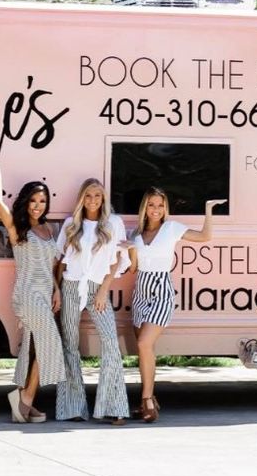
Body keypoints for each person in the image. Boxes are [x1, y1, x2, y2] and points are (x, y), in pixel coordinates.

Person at [0, 158, 65, 423]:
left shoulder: (49, 229)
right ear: (26, 202)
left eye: (43, 201)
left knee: (36, 348)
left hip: (46, 292)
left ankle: (24, 399)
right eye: (34, 200)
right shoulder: (18, 228)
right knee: (51, 344)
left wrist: (57, 290)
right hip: (28, 294)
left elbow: (53, 266)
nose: (38, 206)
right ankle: (24, 398)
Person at [128, 187, 226, 422]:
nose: (156, 209)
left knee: (143, 343)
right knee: (145, 351)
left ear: (165, 208)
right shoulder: (135, 235)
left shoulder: (171, 228)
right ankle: (148, 398)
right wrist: (128, 250)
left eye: (160, 205)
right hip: (141, 290)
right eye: (151, 205)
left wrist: (208, 211)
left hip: (162, 289)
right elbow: (132, 268)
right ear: (145, 207)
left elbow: (204, 237)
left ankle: (147, 401)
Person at [56, 178, 130, 425]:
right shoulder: (71, 224)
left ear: (103, 198)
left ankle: (114, 406)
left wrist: (103, 291)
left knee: (110, 342)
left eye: (97, 196)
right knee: (69, 344)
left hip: (98, 288)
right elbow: (59, 261)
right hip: (71, 286)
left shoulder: (113, 224)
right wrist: (56, 289)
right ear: (81, 199)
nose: (93, 201)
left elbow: (119, 259)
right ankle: (72, 407)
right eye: (88, 196)